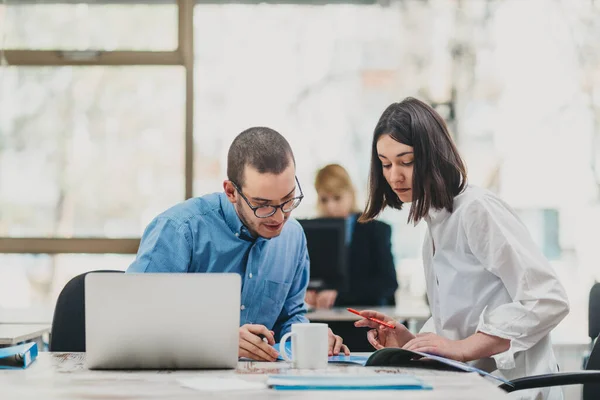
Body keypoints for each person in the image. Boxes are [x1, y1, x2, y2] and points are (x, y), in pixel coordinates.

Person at [353, 98, 569, 400]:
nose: (394, 176)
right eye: (385, 164)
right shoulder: (434, 226)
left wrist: (464, 348)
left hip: (515, 389)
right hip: (472, 387)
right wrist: (409, 340)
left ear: (432, 155)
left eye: (406, 161)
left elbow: (547, 299)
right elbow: (461, 325)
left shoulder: (476, 210)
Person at [127, 127, 349, 362]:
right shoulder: (180, 230)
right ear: (231, 191)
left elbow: (290, 318)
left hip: (261, 384)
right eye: (263, 204)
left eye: (288, 200)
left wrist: (309, 339)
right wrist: (217, 340)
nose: (279, 217)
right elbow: (134, 319)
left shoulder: (293, 237)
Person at [304, 164, 398, 309]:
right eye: (324, 200)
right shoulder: (311, 233)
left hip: (364, 319)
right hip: (324, 318)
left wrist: (339, 294)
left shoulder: (376, 230)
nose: (330, 206)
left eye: (337, 198)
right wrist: (307, 291)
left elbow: (387, 283)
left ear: (350, 193)